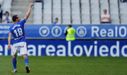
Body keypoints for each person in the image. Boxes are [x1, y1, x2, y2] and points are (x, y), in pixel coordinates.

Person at [8, 1, 33, 73]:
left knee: (13, 56)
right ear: (16, 19)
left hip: (15, 43)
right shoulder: (21, 23)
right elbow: (27, 15)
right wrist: (30, 7)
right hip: (22, 42)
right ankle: (27, 65)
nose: (19, 18)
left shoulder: (11, 27)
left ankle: (15, 69)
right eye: (18, 17)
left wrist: (9, 44)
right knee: (25, 55)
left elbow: (9, 36)